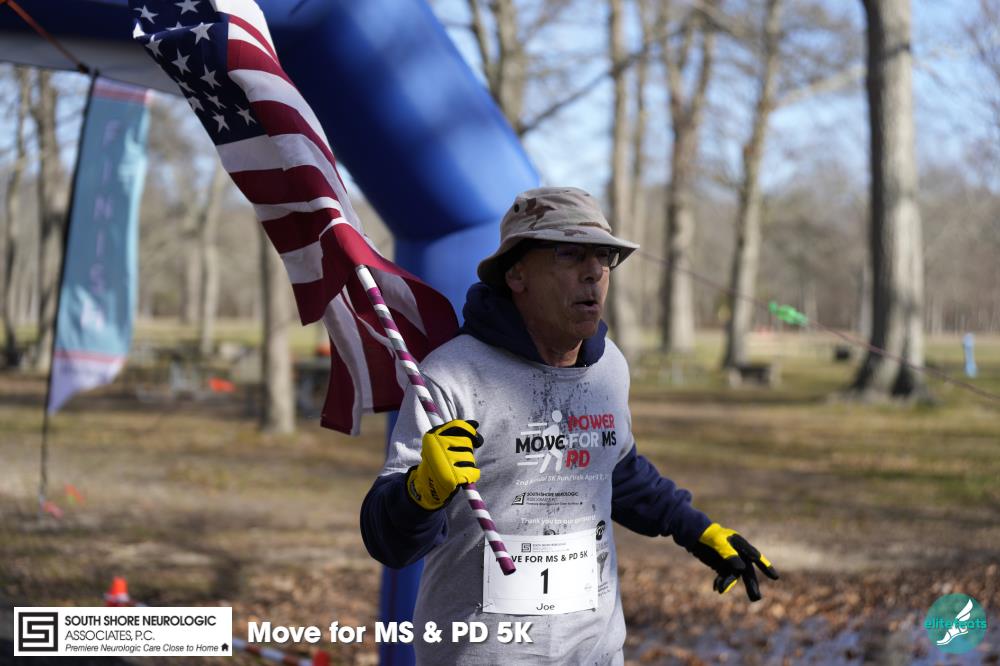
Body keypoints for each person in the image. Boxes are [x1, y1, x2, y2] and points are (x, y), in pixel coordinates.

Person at [360, 186, 778, 664]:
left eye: (604, 257)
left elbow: (616, 470)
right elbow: (387, 540)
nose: (594, 271)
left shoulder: (609, 368)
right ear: (516, 273)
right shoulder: (453, 375)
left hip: (594, 652)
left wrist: (696, 529)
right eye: (569, 253)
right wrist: (420, 493)